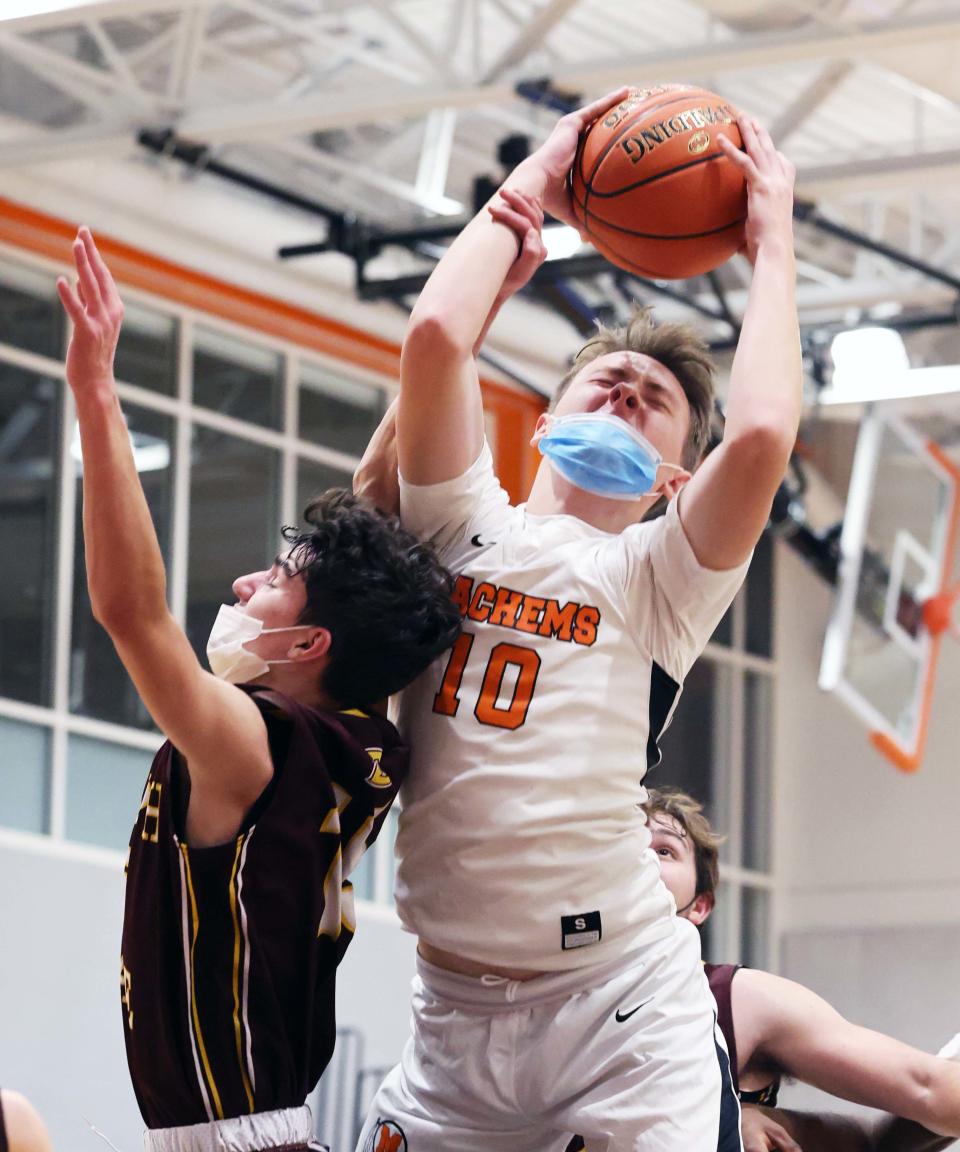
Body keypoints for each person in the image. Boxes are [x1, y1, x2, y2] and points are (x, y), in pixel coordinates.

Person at [355, 86, 801, 1151]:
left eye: (654, 400)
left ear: (675, 475)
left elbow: (766, 435)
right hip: (451, 1006)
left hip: (621, 1001)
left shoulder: (663, 575)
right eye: (609, 382)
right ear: (547, 420)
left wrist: (774, 242)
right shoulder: (462, 519)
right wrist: (538, 182)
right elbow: (432, 339)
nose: (628, 396)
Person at [57, 229, 461, 1152]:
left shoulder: (256, 745)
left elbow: (132, 613)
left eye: (274, 577)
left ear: (310, 641)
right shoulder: (353, 739)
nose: (244, 585)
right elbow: (373, 503)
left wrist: (95, 393)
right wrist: (445, 330)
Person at [567, 787, 960, 1152]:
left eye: (665, 851)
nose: (644, 858)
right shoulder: (536, 986)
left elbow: (923, 1095)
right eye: (631, 846)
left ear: (700, 906)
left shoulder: (742, 998)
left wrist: (735, 1118)